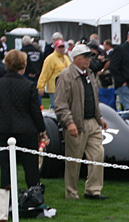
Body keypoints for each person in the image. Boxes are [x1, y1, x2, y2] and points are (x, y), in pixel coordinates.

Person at [53, 44, 109, 200]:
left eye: (89, 57)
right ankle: (71, 193)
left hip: (92, 121)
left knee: (98, 155)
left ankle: (93, 190)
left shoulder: (89, 74)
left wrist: (99, 118)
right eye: (85, 57)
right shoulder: (66, 76)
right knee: (74, 160)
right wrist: (69, 123)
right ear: (76, 58)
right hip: (76, 123)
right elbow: (60, 104)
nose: (88, 60)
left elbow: (93, 98)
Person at [0, 50, 47, 195]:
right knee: (31, 167)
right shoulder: (29, 86)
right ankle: (34, 198)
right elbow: (35, 111)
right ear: (24, 65)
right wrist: (42, 130)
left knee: (5, 167)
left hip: (3, 129)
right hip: (27, 130)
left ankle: (5, 203)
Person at [37, 39, 70, 107]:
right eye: (59, 47)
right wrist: (41, 86)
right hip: (54, 88)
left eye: (62, 47)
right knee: (55, 107)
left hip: (66, 87)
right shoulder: (50, 59)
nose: (61, 49)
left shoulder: (66, 58)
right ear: (55, 48)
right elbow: (45, 73)